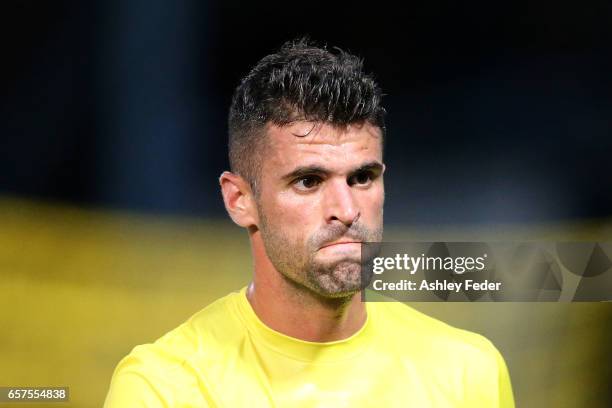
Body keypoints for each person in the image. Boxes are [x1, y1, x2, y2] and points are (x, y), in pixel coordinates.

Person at [104, 39, 515, 407]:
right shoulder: (162, 389)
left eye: (362, 177)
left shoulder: (467, 371)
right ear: (239, 200)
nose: (347, 209)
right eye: (308, 181)